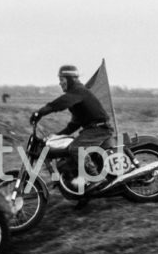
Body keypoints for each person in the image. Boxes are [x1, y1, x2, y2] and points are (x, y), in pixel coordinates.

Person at [30, 64, 113, 192]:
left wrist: (40, 112)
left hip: (99, 129)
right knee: (68, 150)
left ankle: (96, 178)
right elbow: (74, 125)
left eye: (62, 80)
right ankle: (80, 189)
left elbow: (59, 104)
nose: (60, 83)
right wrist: (57, 136)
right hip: (92, 129)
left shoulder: (78, 91)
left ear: (70, 79)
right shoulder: (76, 96)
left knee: (76, 148)